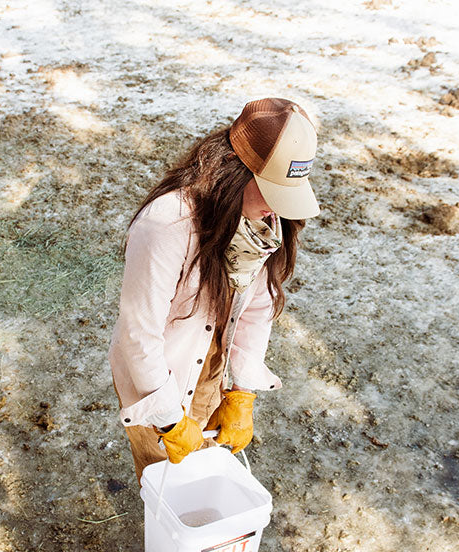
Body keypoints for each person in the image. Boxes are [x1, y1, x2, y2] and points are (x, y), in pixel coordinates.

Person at [109, 97, 320, 482]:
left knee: (202, 475)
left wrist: (241, 391)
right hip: (156, 375)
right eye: (273, 193)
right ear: (238, 173)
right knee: (167, 481)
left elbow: (256, 308)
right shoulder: (167, 225)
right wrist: (170, 419)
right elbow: (139, 333)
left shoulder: (262, 224)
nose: (278, 210)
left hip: (211, 365)